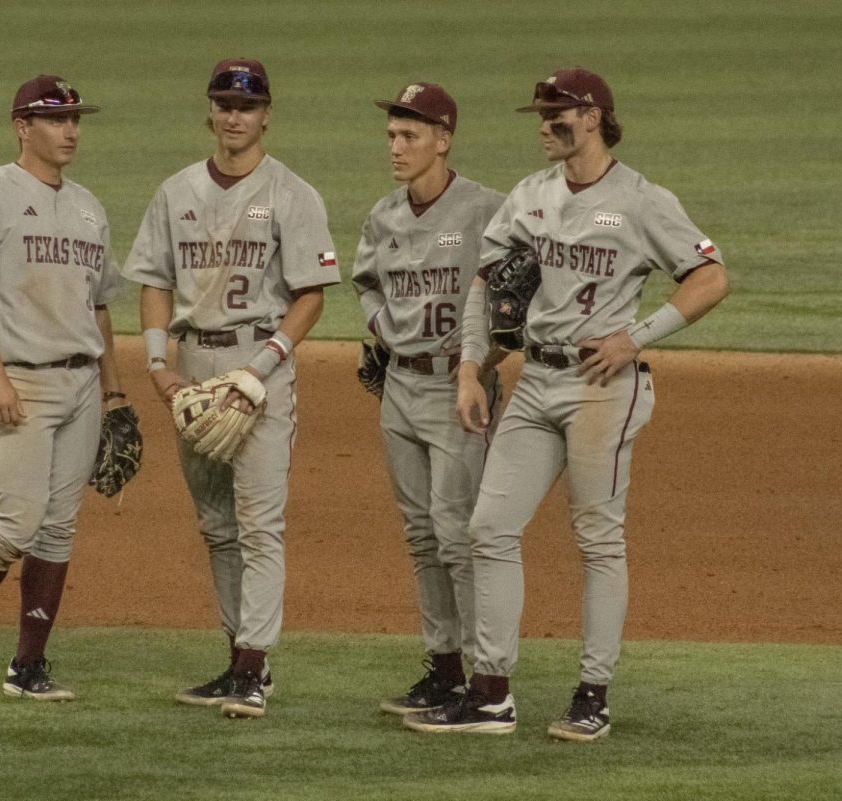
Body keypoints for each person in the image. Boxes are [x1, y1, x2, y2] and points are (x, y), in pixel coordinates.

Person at [404, 68, 731, 737]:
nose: (543, 126)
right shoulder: (531, 194)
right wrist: (472, 368)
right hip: (536, 385)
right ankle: (491, 691)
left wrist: (636, 336)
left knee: (597, 539)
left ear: (593, 117)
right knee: (489, 527)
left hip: (603, 389)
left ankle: (594, 692)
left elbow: (710, 276)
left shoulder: (640, 200)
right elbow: (486, 284)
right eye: (540, 115)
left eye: (555, 115)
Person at [122, 58, 339, 719]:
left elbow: (310, 294)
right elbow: (154, 282)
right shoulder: (175, 191)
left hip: (260, 369)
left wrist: (261, 367)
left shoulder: (292, 194)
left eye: (246, 106)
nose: (234, 116)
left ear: (266, 113)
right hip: (194, 366)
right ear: (209, 112)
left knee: (260, 524)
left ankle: (252, 666)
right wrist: (160, 368)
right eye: (224, 104)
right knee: (217, 525)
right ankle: (242, 658)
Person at [0, 75, 129, 702]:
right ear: (22, 126)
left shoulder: (90, 207)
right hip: (23, 382)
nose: (70, 130)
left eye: (75, 120)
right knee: (16, 523)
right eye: (56, 119)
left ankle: (28, 668)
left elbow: (101, 308)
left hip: (83, 384)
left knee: (59, 529)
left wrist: (116, 394)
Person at [351, 83, 505, 716]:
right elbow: (364, 285)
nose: (397, 145)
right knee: (420, 534)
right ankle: (443, 668)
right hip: (400, 387)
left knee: (455, 533)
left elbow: (514, 293)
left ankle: (485, 677)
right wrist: (383, 330)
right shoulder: (383, 216)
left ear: (443, 141)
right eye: (392, 134)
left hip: (456, 387)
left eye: (410, 135)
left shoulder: (489, 211)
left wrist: (484, 356)